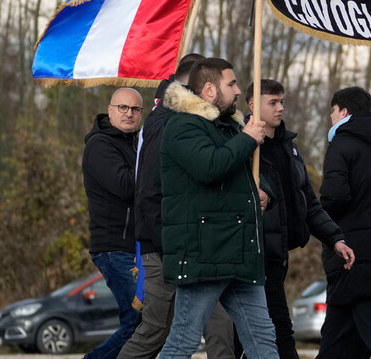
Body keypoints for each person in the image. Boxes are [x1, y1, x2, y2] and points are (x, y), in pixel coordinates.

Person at [156, 58, 280, 359]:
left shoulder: (227, 127)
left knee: (263, 340)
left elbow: (246, 172)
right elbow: (210, 166)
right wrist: (248, 139)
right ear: (210, 90)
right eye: (231, 84)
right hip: (205, 255)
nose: (238, 91)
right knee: (183, 342)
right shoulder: (182, 125)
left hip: (238, 253)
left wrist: (266, 192)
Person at [121, 54, 235, 359]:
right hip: (166, 247)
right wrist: (166, 244)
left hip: (194, 246)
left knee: (221, 327)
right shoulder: (165, 123)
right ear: (193, 85)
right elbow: (149, 190)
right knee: (156, 331)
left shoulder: (190, 120)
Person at [246, 80, 354, 359]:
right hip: (251, 258)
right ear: (252, 106)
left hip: (278, 255)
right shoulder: (242, 146)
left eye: (281, 101)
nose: (281, 107)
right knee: (274, 332)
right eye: (273, 102)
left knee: (272, 332)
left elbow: (309, 204)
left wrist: (335, 238)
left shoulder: (289, 148)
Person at [318, 87, 371, 359]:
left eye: (332, 111)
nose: (330, 117)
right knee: (337, 340)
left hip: (351, 253)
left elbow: (335, 195)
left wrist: (318, 217)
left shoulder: (341, 143)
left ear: (343, 112)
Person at [82, 87, 143, 359]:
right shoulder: (100, 145)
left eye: (135, 109)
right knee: (139, 323)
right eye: (123, 108)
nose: (129, 114)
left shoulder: (137, 143)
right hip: (114, 247)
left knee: (146, 323)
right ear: (110, 110)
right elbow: (125, 185)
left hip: (138, 246)